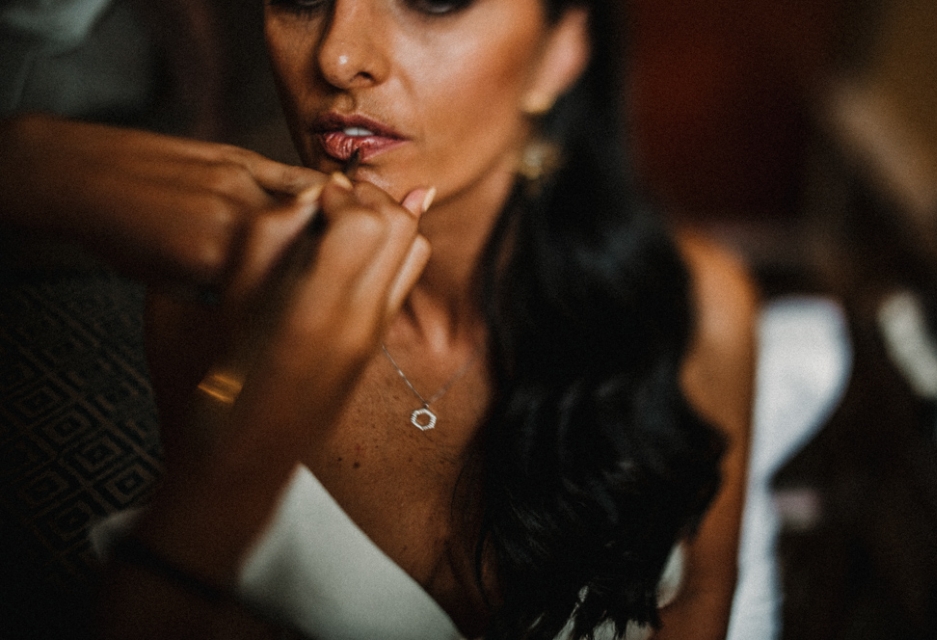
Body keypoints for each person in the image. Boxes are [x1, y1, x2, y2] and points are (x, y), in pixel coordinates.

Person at [1, 0, 756, 638]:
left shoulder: (697, 308)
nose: (337, 56)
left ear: (560, 51)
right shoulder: (211, 308)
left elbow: (698, 596)